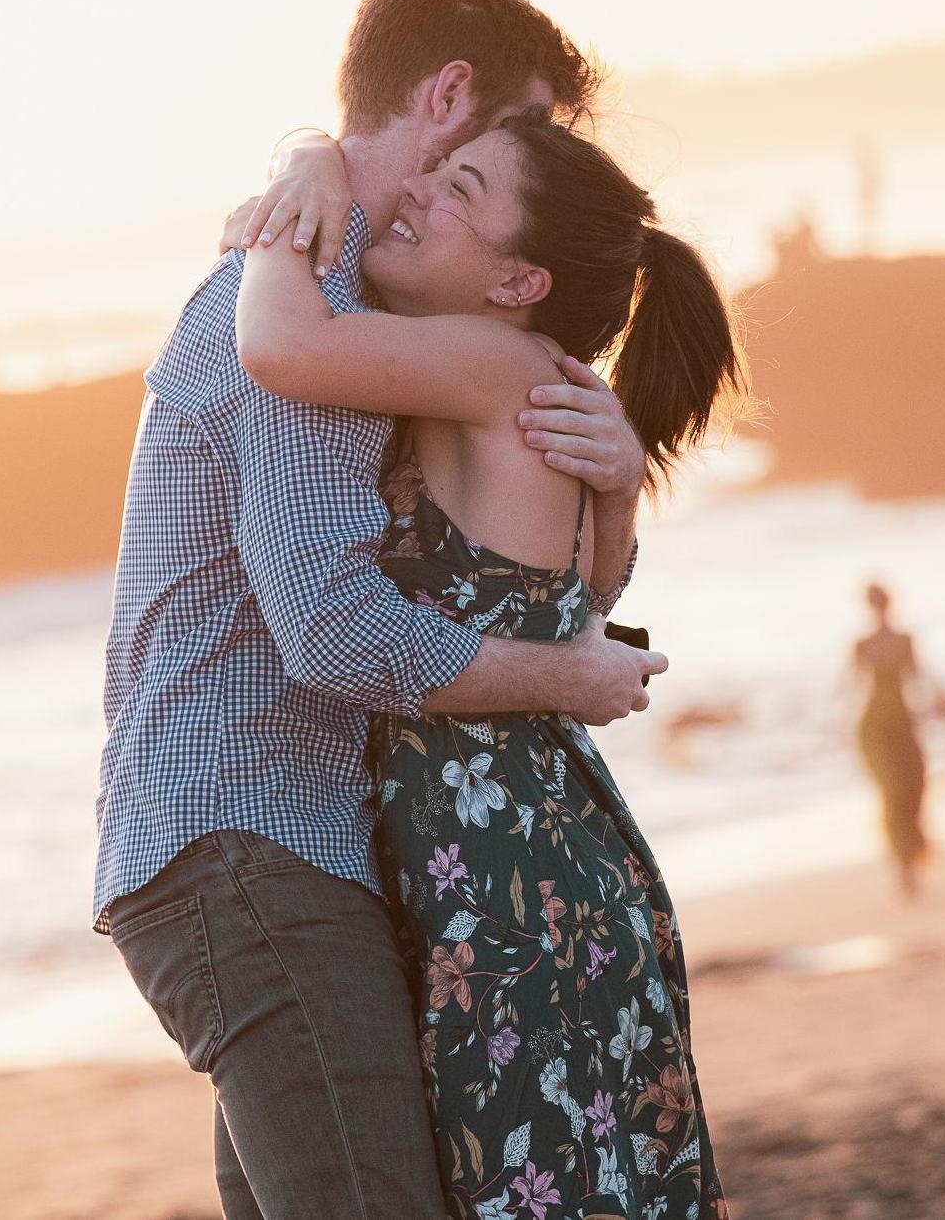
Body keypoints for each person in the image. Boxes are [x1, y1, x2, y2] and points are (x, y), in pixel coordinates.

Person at [95, 0, 665, 1220]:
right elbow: (334, 632)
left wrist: (614, 486)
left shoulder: (332, 285)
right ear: (449, 93)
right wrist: (568, 682)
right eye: (518, 134)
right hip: (249, 842)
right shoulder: (314, 294)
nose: (528, 167)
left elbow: (516, 574)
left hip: (271, 845)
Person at [230, 110, 743, 1218]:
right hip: (532, 853)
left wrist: (295, 191)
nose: (415, 192)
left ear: (519, 280)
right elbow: (587, 603)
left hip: (503, 868)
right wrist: (614, 491)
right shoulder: (524, 378)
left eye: (459, 189)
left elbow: (277, 349)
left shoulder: (486, 362)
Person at [851, 584, 930, 899]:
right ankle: (903, 863)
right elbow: (851, 689)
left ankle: (910, 857)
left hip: (902, 722)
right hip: (875, 728)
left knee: (914, 790)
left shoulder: (905, 640)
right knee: (894, 792)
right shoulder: (862, 644)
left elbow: (919, 680)